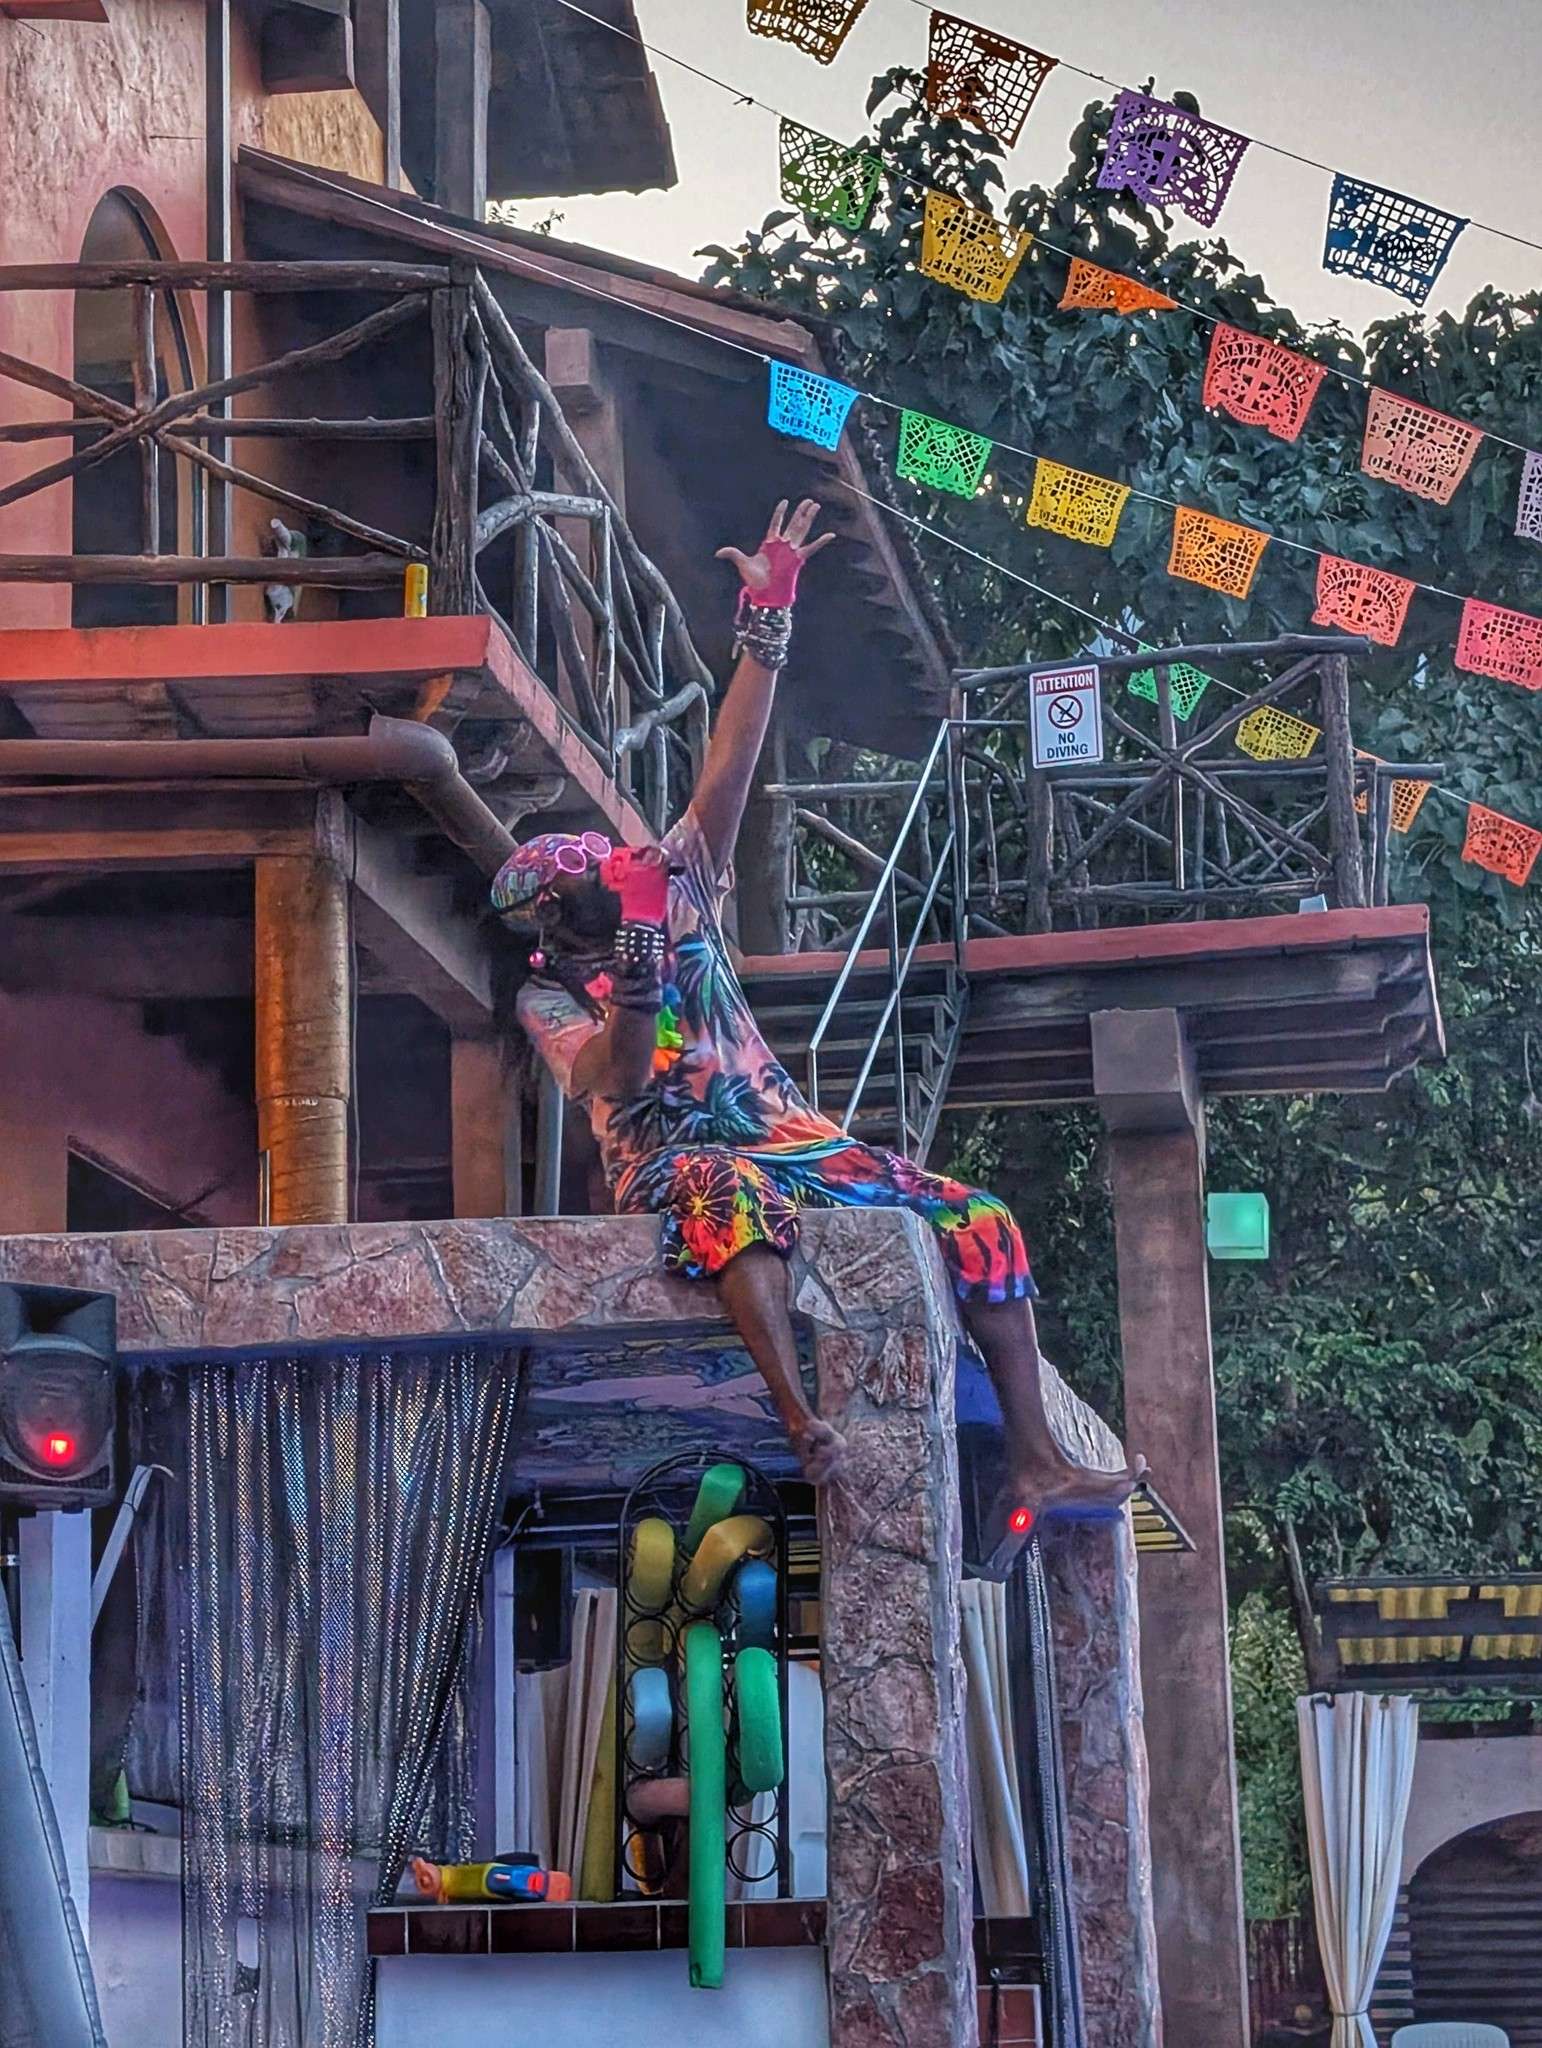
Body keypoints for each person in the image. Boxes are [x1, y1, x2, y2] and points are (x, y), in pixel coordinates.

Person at [495, 499, 1142, 1518]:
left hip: (791, 1134)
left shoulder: (684, 875)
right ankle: (803, 1419)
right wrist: (641, 951)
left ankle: (1036, 1454)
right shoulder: (550, 991)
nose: (606, 853)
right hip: (675, 1162)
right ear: (555, 915)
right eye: (584, 865)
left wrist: (770, 612)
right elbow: (611, 1078)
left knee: (979, 1216)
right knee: (731, 1195)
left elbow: (732, 761)